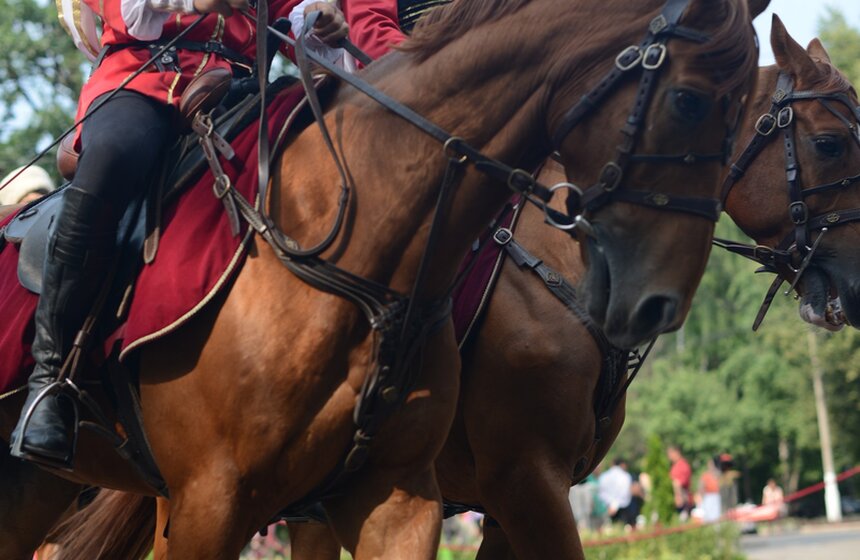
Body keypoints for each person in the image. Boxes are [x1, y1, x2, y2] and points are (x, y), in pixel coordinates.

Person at [9, 0, 349, 465]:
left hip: (243, 89)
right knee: (111, 160)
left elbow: (292, 12)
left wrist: (318, 20)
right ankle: (49, 380)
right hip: (146, 79)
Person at [598, 458, 635, 527]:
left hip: (607, 508)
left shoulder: (604, 476)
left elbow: (601, 493)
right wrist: (615, 504)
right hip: (623, 509)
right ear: (622, 464)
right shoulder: (625, 476)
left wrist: (611, 504)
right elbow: (626, 492)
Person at [668, 445, 692, 519]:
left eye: (670, 453)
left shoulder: (682, 465)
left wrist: (678, 496)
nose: (669, 456)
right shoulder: (674, 466)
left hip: (683, 501)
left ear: (677, 452)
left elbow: (679, 483)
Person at [696, 457, 722, 523]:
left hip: (716, 497)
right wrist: (700, 498)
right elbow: (701, 487)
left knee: (716, 516)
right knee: (707, 516)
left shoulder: (718, 474)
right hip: (708, 497)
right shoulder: (705, 475)